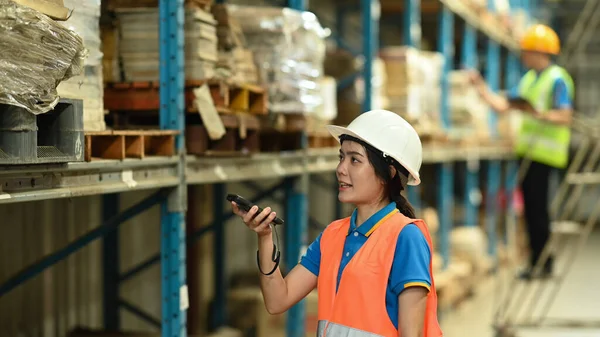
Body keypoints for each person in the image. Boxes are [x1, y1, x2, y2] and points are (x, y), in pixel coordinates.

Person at [230, 109, 442, 337]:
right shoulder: (333, 235)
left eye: (355, 160)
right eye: (341, 157)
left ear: (388, 173)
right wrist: (265, 236)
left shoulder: (406, 237)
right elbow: (277, 300)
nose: (341, 169)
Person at [469, 24, 575, 280]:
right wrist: (480, 85)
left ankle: (543, 264)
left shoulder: (557, 78)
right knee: (529, 210)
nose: (524, 55)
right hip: (528, 153)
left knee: (539, 211)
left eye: (528, 51)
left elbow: (565, 115)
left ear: (540, 52)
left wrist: (539, 115)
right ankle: (536, 261)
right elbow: (503, 106)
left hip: (547, 156)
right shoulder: (529, 79)